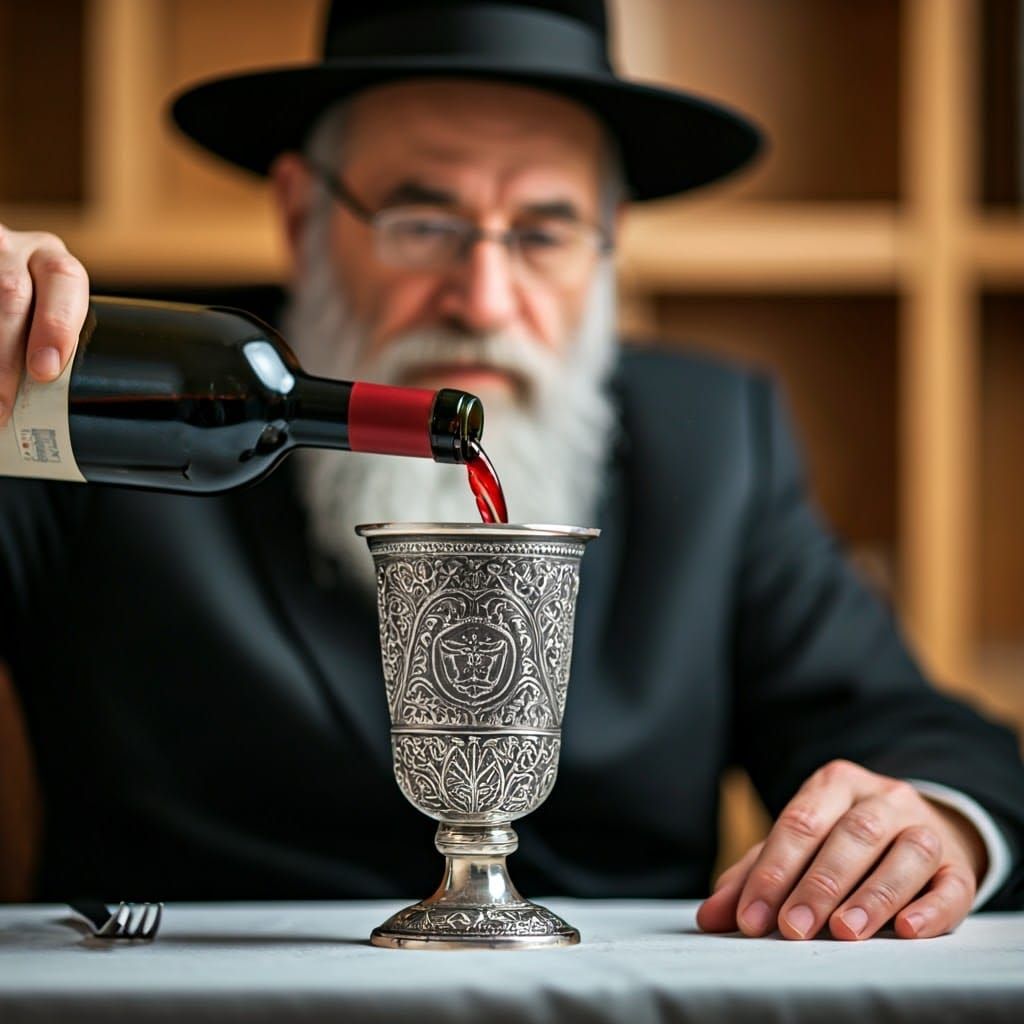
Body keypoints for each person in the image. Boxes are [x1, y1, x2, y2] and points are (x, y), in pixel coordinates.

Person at [1, 0, 1022, 943]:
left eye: (544, 230)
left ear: (607, 246)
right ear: (303, 212)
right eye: (423, 220)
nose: (483, 295)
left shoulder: (715, 440)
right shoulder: (105, 397)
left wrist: (930, 821)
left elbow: (920, 732)